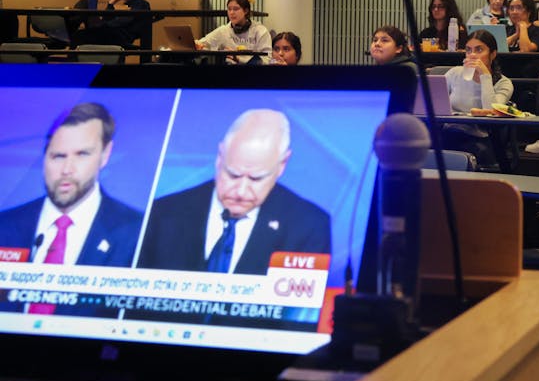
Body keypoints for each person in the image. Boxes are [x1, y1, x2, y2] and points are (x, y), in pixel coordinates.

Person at [136, 109, 331, 275]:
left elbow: (294, 315)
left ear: (282, 165)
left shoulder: (309, 226)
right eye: (233, 175)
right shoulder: (162, 214)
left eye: (256, 178)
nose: (240, 191)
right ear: (220, 157)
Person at [0, 103, 142, 316]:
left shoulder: (136, 233)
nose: (67, 170)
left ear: (105, 154)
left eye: (82, 154)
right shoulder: (5, 226)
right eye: (58, 156)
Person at [441, 30, 514, 167]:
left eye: (479, 50)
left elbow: (491, 111)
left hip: (479, 138)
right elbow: (436, 102)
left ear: (493, 54)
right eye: (468, 50)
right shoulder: (454, 73)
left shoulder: (503, 83)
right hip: (448, 131)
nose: (473, 55)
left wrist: (485, 76)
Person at [72, 0, 151, 47]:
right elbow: (106, 18)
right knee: (84, 5)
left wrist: (103, 25)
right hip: (110, 32)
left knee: (85, 4)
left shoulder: (140, 3)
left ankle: (68, 30)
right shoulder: (124, 6)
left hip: (118, 36)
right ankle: (69, 30)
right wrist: (111, 3)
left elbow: (124, 20)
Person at [196, 0, 271, 64]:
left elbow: (267, 59)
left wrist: (239, 59)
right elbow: (203, 44)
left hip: (255, 73)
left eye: (236, 9)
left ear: (246, 11)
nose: (231, 13)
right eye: (229, 9)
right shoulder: (224, 31)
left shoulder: (260, 30)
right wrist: (197, 44)